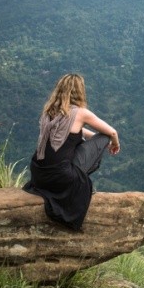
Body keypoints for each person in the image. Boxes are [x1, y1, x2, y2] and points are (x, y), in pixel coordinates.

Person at [23, 73, 120, 230]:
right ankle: (78, 180)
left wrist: (94, 139)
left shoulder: (49, 111)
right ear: (80, 91)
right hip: (61, 177)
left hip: (39, 175)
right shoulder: (81, 113)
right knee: (104, 137)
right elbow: (112, 132)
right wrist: (113, 143)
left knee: (94, 139)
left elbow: (73, 134)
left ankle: (76, 176)